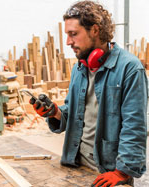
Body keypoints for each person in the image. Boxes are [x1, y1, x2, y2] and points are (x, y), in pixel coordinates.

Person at [29, 1, 148, 186]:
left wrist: (122, 173)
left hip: (108, 172)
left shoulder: (129, 69)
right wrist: (55, 113)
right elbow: (74, 112)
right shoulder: (80, 66)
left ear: (95, 30)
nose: (68, 42)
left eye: (73, 34)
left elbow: (135, 126)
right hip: (75, 162)